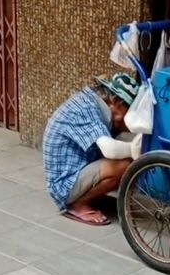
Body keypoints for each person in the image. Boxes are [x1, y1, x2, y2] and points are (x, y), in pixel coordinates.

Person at [43, 73, 143, 225]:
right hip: (64, 185)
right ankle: (77, 205)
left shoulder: (95, 104)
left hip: (77, 169)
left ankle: (91, 196)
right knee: (124, 165)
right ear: (116, 102)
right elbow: (110, 150)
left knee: (126, 159)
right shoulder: (86, 109)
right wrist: (135, 149)